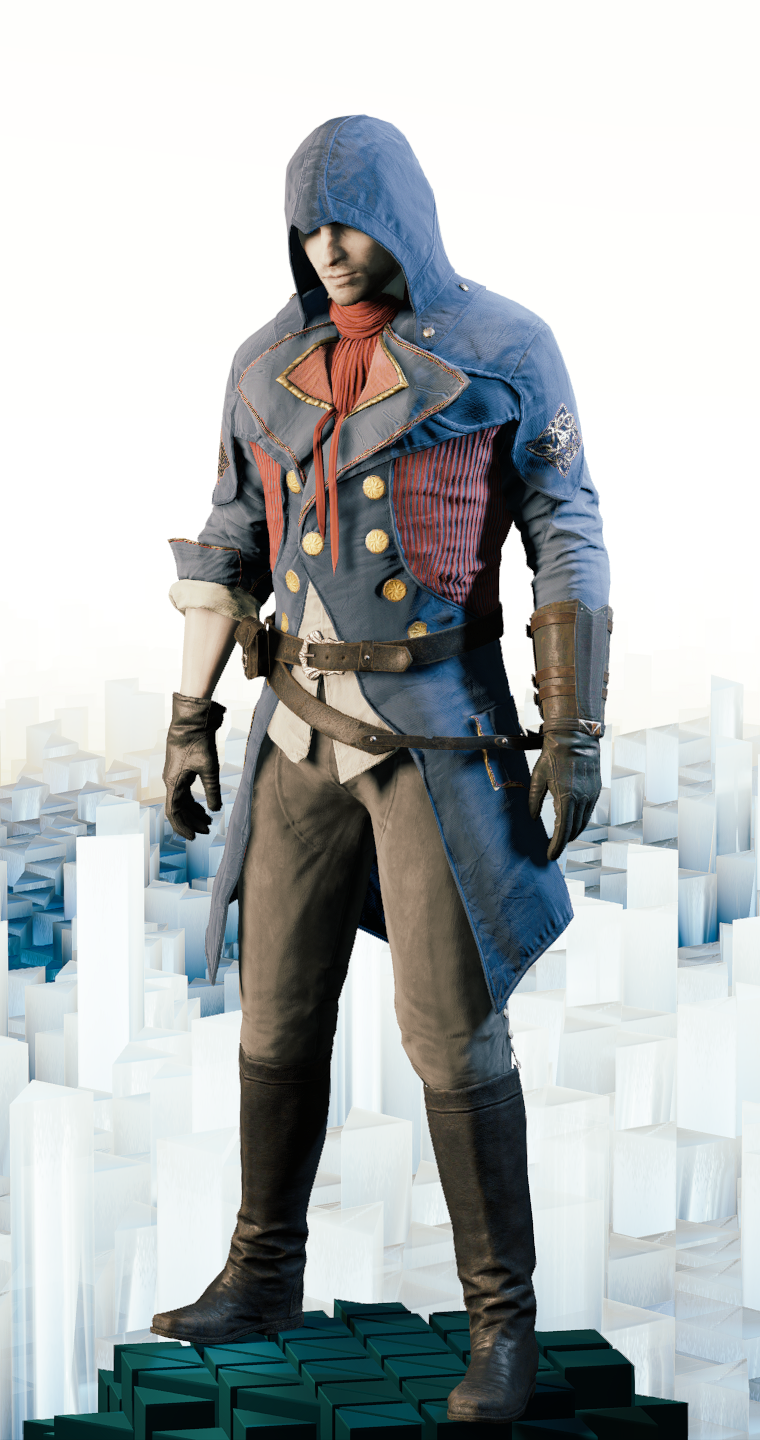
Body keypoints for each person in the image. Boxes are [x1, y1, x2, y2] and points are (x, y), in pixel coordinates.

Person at [152, 115, 611, 1425]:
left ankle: (502, 1325)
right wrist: (188, 716)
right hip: (296, 724)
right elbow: (230, 541)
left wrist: (573, 726)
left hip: (438, 730)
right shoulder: (265, 364)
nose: (328, 251)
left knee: (449, 1033)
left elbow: (566, 529)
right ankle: (263, 1271)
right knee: (276, 1015)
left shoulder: (506, 347)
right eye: (309, 229)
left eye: (349, 223)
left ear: (403, 216)